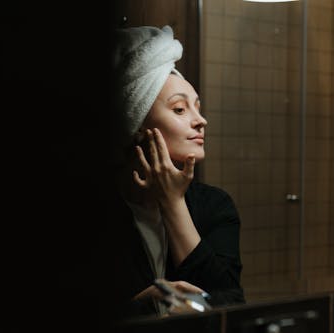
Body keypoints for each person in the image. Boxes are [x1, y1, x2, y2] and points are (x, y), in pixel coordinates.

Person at [102, 25, 245, 322]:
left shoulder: (215, 206)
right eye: (180, 109)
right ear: (136, 120)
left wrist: (173, 203)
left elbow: (230, 305)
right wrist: (138, 307)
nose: (201, 120)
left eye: (198, 108)